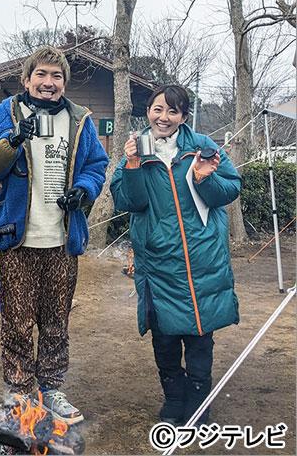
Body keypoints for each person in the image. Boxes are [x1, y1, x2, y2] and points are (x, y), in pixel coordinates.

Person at [0, 46, 108, 424]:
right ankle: (20, 392)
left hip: (62, 238)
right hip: (15, 237)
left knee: (56, 320)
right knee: (16, 321)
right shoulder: (4, 114)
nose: (48, 83)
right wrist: (15, 140)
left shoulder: (79, 119)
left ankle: (51, 389)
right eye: (42, 75)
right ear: (27, 78)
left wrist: (84, 189)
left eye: (56, 77)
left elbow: (96, 165)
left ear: (63, 83)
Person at [110, 85, 241, 426]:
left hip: (201, 257)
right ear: (147, 112)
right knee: (164, 336)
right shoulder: (135, 148)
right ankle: (173, 397)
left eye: (172, 111)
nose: (163, 118)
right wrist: (133, 165)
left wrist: (203, 178)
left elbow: (229, 188)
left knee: (199, 336)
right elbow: (129, 201)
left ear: (184, 116)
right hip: (157, 260)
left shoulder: (203, 146)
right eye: (157, 110)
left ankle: (199, 401)